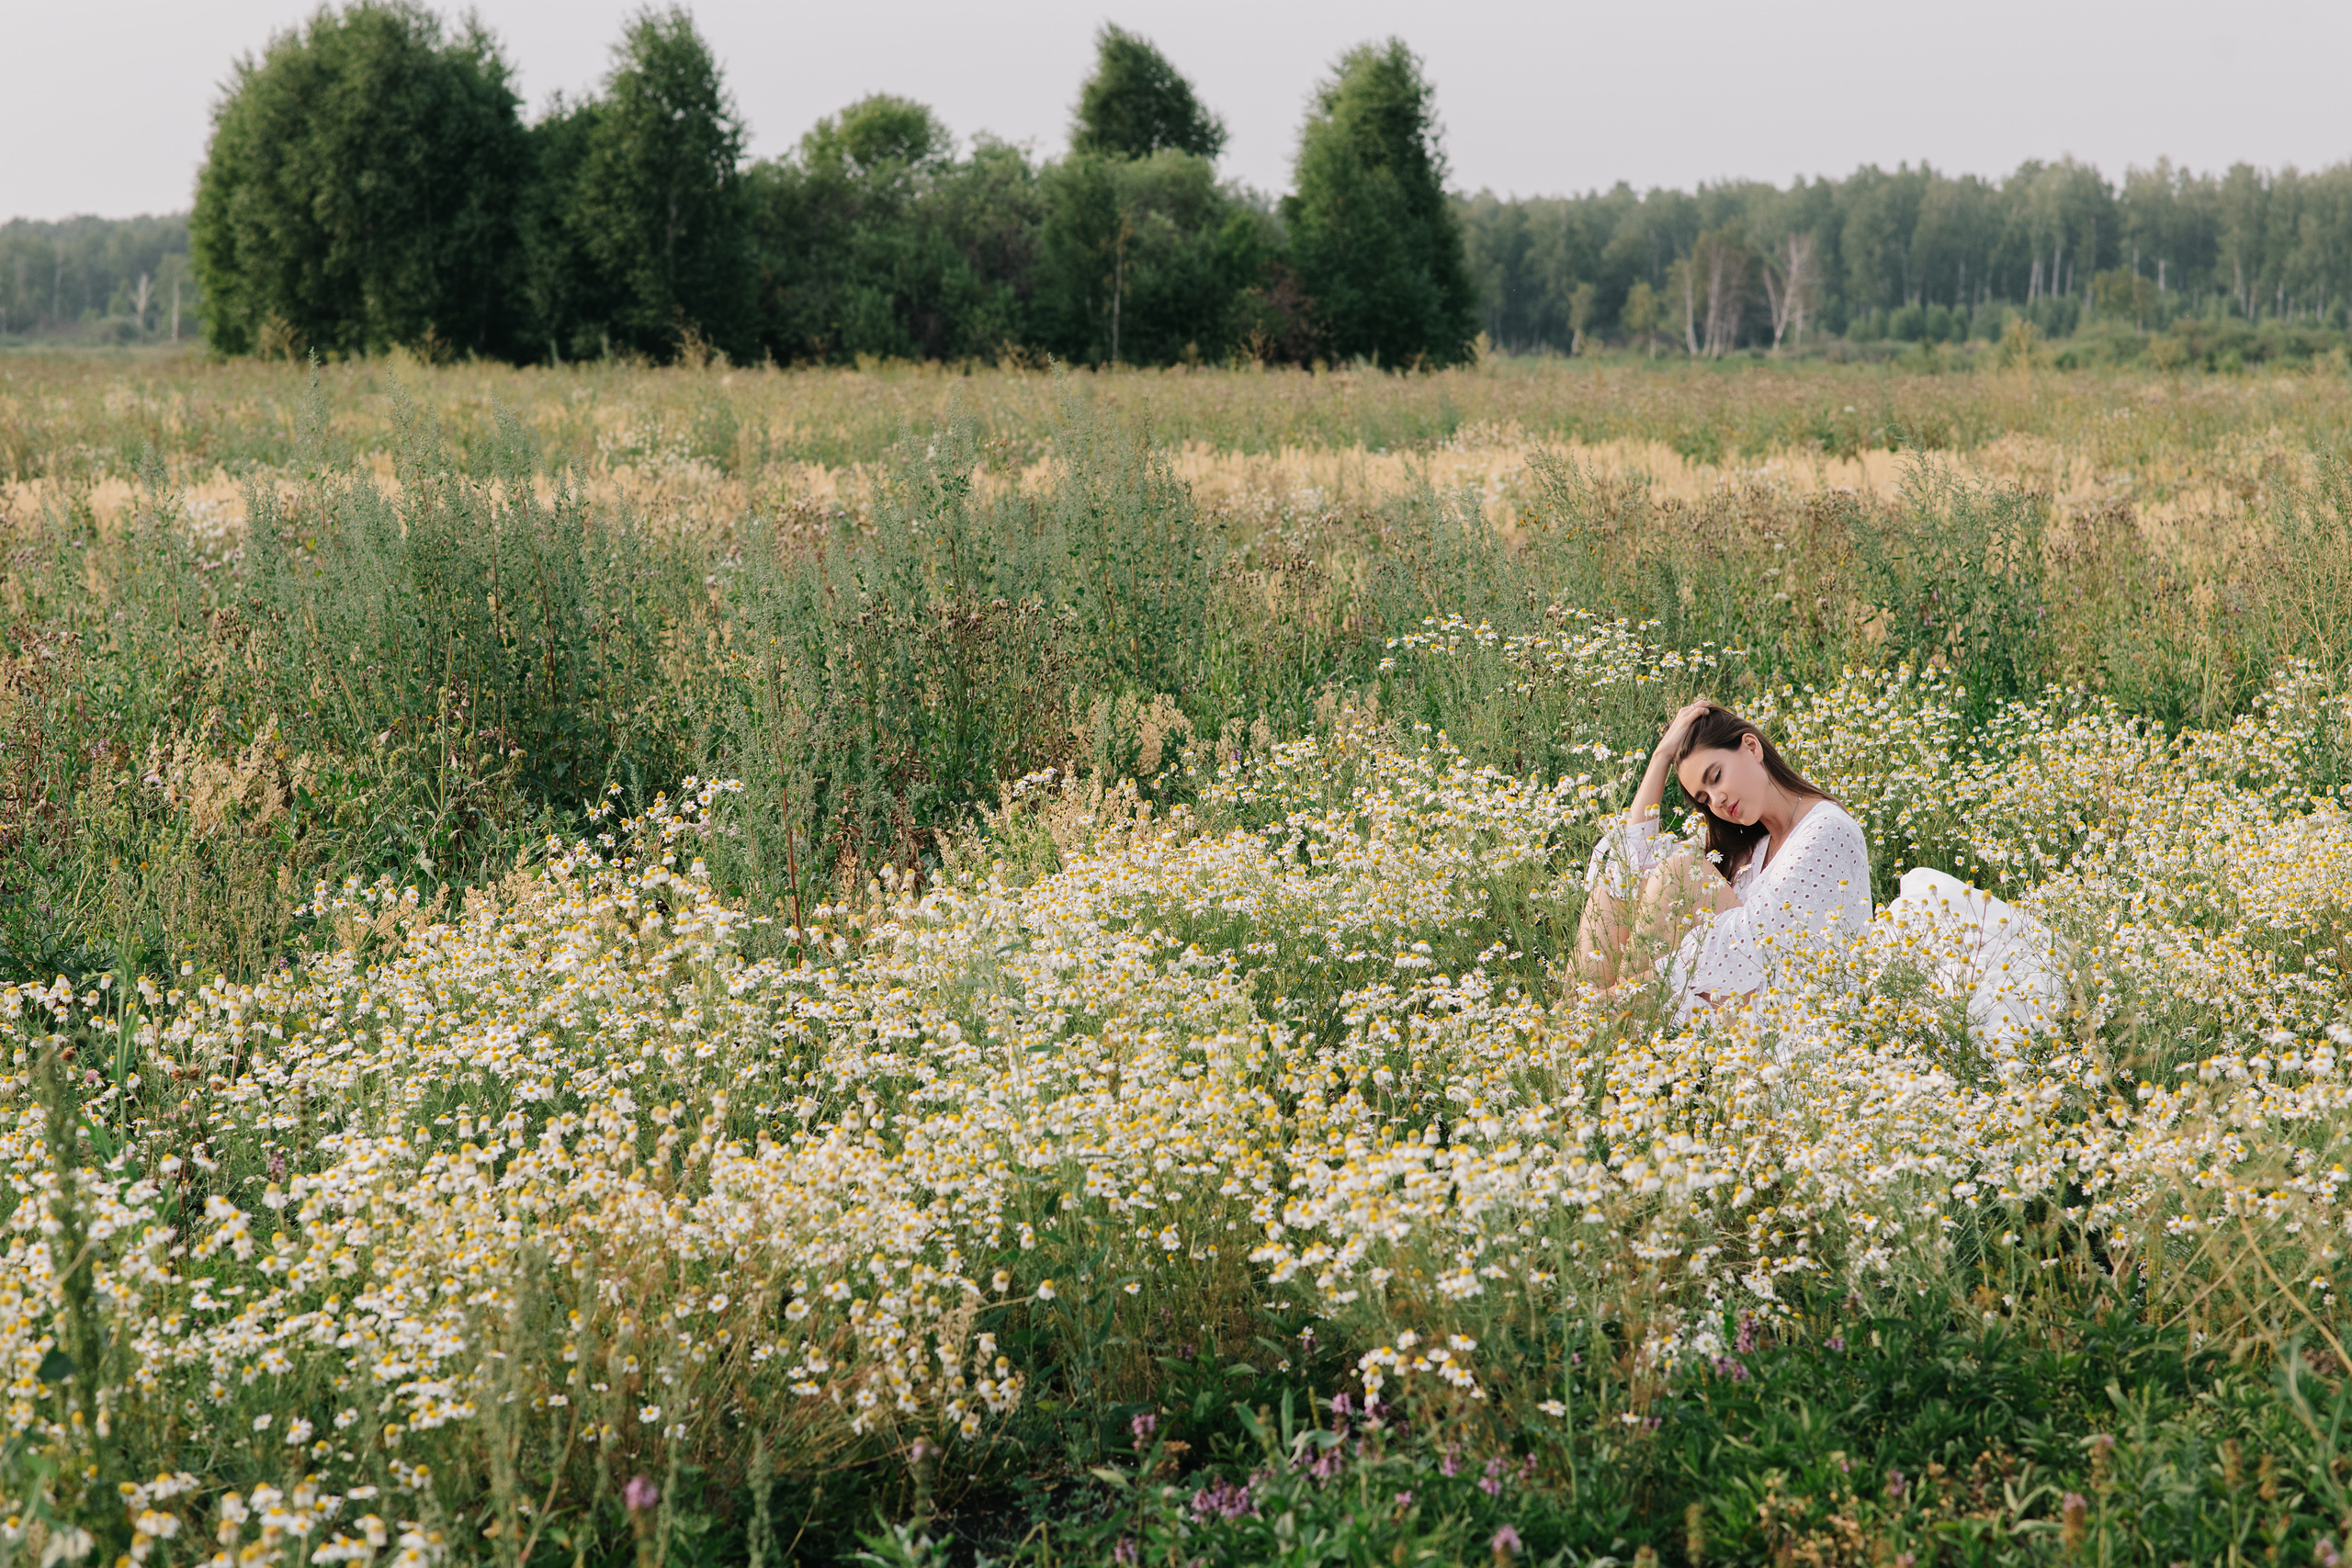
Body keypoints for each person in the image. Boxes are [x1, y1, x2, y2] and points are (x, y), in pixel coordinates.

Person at [1577, 700, 1873, 1008]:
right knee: (1608, 895)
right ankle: (1583, 1024)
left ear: (1751, 747)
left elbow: (1750, 942)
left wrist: (1628, 993)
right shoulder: (1749, 849)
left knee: (1678, 872)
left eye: (1716, 776)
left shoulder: (1826, 830)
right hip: (1735, 1006)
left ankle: (1601, 1021)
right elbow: (1629, 869)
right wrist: (1660, 757)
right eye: (1704, 799)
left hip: (1795, 1020)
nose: (1717, 801)